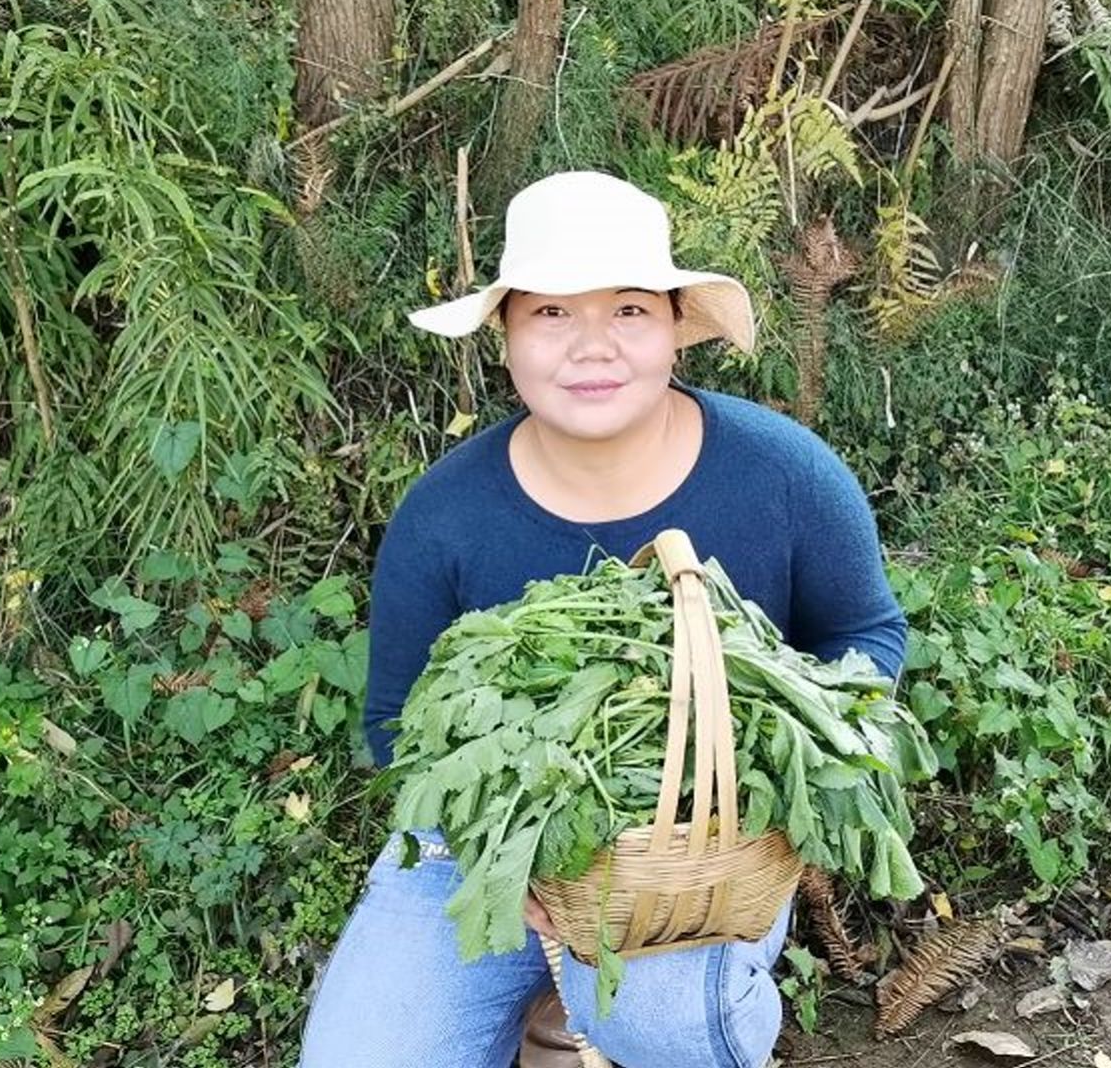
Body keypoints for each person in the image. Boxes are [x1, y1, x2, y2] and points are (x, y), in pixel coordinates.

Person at [296, 170, 909, 1068]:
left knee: (660, 1024)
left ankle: (607, 1013)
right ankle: (549, 994)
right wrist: (510, 848)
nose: (592, 347)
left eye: (627, 310)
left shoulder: (788, 476)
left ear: (672, 328)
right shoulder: (444, 516)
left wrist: (791, 769)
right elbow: (397, 726)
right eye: (551, 313)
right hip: (487, 839)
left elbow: (869, 635)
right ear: (504, 333)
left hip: (705, 841)